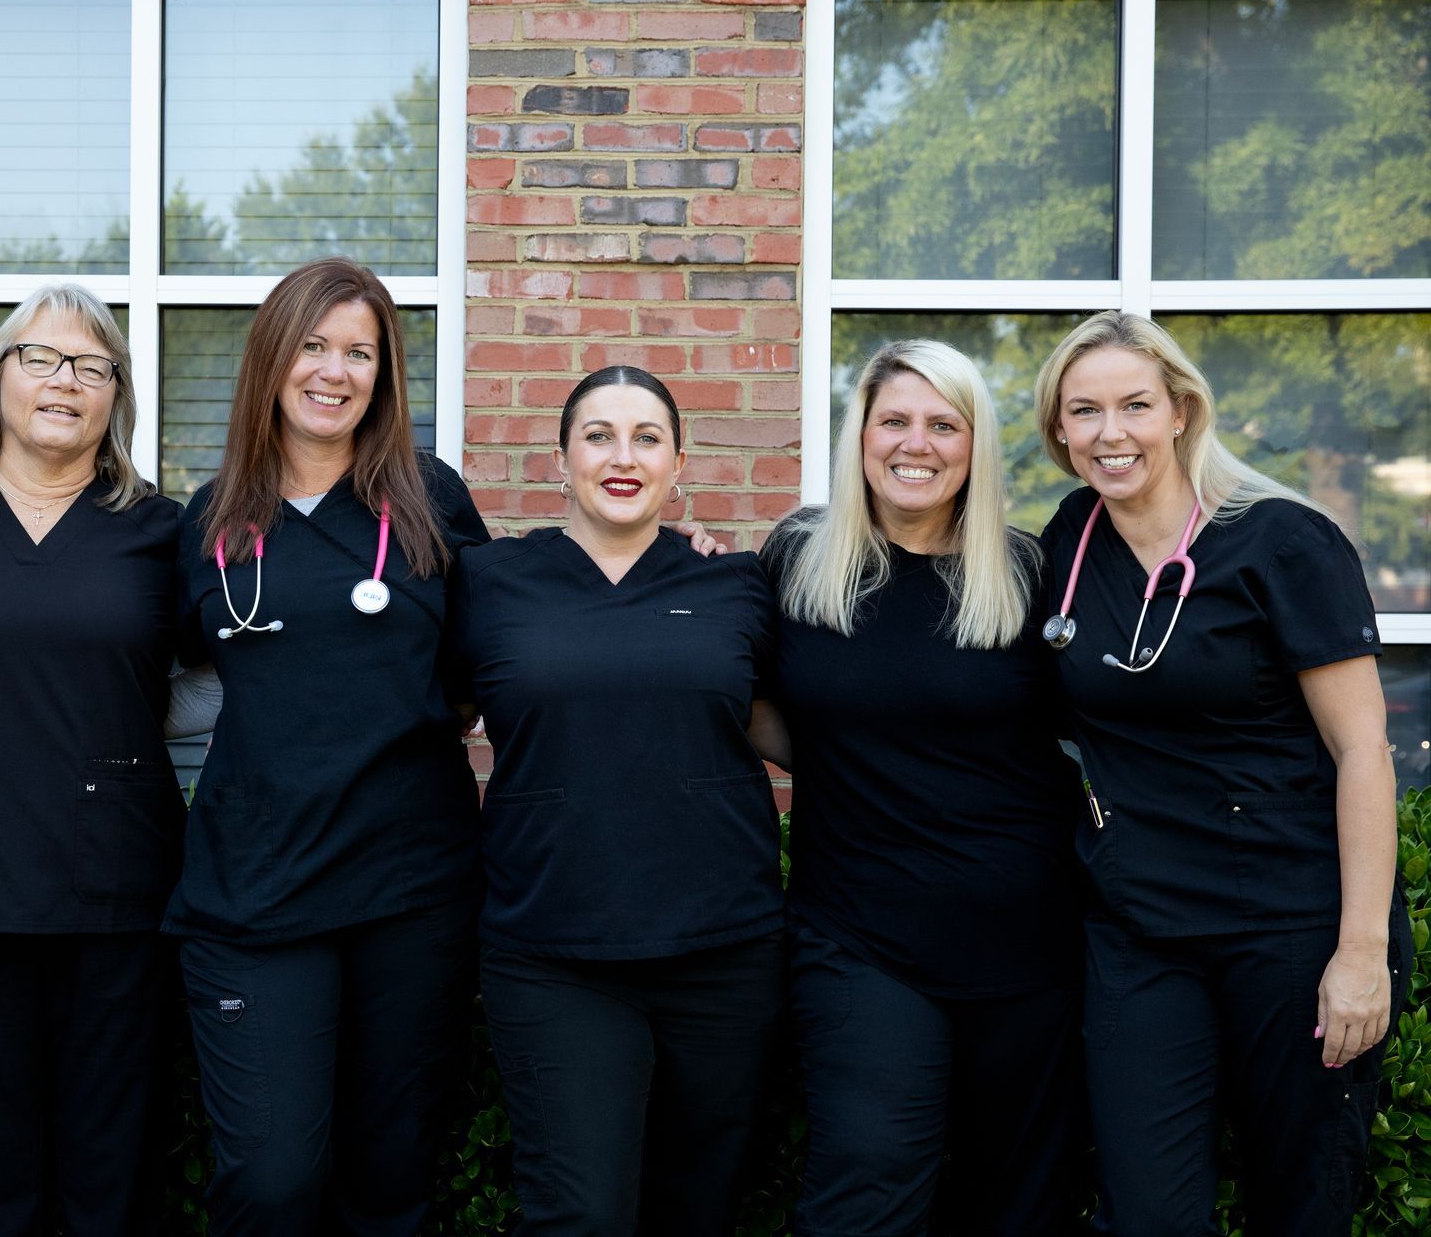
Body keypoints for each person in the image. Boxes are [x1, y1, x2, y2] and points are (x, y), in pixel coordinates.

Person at [1033, 311, 1409, 1235]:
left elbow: (1363, 750)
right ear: (1060, 431)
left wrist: (1361, 953)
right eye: (1085, 412)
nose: (1110, 433)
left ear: (1181, 412)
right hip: (1140, 927)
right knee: (1147, 1209)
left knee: (1303, 1200)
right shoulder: (1070, 542)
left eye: (1133, 406)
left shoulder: (1282, 541)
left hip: (1287, 922)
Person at [166, 256, 490, 1235]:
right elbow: (161, 676)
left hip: (411, 895)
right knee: (270, 1181)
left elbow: (506, 659)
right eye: (313, 344)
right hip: (256, 897)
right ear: (273, 356)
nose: (334, 370)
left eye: (361, 351)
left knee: (390, 1182)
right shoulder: (212, 520)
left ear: (386, 373)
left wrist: (671, 560)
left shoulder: (432, 502)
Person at [449, 366, 786, 1236]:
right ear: (561, 458)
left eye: (648, 438)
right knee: (581, 1215)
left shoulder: (737, 583)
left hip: (723, 946)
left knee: (701, 1208)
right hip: (553, 949)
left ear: (680, 462)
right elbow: (429, 719)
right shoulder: (489, 583)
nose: (623, 457)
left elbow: (792, 730)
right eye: (599, 436)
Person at [758, 340, 1083, 1235]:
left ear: (975, 446)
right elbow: (734, 696)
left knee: (1018, 1203)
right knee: (866, 1186)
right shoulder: (796, 559)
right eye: (894, 419)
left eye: (945, 424)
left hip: (1027, 940)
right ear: (859, 433)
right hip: (858, 936)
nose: (918, 443)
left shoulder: (1027, 573)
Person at [0, 284, 194, 1236]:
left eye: (92, 365)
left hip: (120, 899)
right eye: (42, 358)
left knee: (116, 1179)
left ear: (116, 396)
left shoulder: (164, 533)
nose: (66, 381)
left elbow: (248, 672)